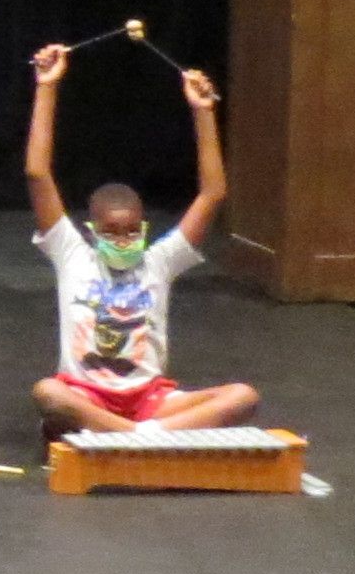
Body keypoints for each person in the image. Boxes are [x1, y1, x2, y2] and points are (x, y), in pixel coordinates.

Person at [23, 45, 257, 433]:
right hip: (87, 396)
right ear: (93, 232)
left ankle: (138, 435)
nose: (124, 239)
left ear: (143, 228)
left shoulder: (159, 261)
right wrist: (47, 87)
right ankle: (139, 437)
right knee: (48, 393)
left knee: (243, 395)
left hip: (150, 401)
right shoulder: (72, 255)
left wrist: (203, 111)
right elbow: (37, 174)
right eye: (112, 232)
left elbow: (213, 194)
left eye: (132, 230)